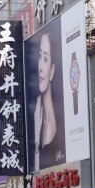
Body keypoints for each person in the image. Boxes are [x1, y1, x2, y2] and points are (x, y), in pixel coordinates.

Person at [32, 31, 63, 170]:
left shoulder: (58, 127)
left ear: (52, 71)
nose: (40, 68)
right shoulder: (37, 115)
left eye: (45, 59)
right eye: (40, 57)